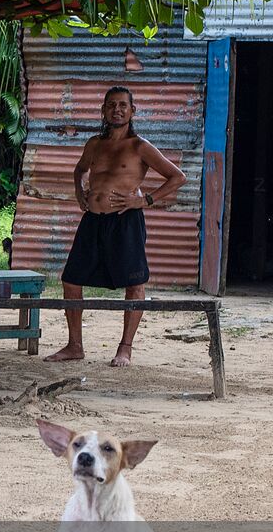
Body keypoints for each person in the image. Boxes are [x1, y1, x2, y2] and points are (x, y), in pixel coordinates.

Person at [44, 86, 187, 367]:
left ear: (133, 111)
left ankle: (125, 348)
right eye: (111, 105)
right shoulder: (95, 144)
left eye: (123, 105)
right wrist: (78, 190)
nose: (117, 110)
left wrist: (145, 200)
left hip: (125, 222)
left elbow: (177, 177)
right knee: (71, 280)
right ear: (104, 111)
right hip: (93, 221)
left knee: (134, 284)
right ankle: (75, 346)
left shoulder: (140, 146)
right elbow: (80, 169)